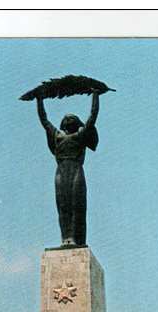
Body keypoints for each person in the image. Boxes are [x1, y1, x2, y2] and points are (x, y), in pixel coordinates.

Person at [36, 91, 101, 247]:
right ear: (63, 124)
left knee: (76, 204)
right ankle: (66, 238)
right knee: (63, 204)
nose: (69, 118)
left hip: (76, 170)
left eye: (72, 118)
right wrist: (39, 99)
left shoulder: (80, 135)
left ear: (77, 122)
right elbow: (44, 120)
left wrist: (95, 95)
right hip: (61, 171)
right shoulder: (57, 136)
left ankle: (76, 238)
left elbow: (92, 117)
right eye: (66, 118)